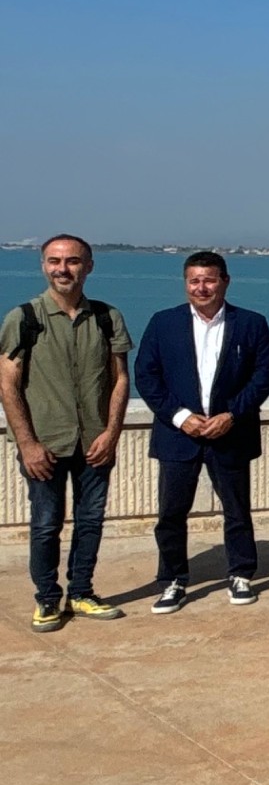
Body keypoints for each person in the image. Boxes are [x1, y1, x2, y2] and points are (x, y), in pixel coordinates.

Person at [134, 251, 269, 611]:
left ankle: (241, 573)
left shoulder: (251, 323)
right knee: (171, 513)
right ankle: (172, 580)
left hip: (230, 433)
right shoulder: (162, 323)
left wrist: (232, 414)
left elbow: (264, 375)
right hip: (178, 436)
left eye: (209, 279)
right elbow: (146, 376)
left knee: (237, 510)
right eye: (194, 280)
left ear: (225, 282)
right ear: (186, 284)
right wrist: (180, 416)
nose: (202, 287)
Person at [0, 235, 132, 632]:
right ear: (43, 265)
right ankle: (47, 599)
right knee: (45, 524)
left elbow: (120, 378)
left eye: (73, 261)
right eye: (55, 261)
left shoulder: (107, 317)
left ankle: (82, 591)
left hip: (93, 441)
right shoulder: (23, 318)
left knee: (91, 520)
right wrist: (27, 444)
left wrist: (111, 433)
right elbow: (7, 384)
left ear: (88, 266)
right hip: (45, 443)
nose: (63, 269)